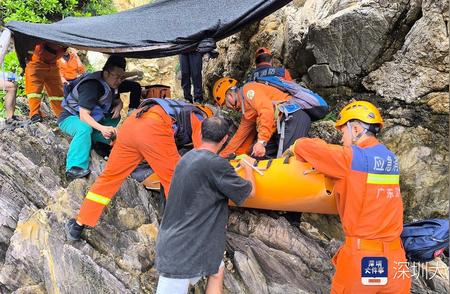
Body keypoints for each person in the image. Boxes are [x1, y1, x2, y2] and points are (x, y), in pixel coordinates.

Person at [289, 101, 411, 293]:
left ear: (355, 129)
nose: (342, 138)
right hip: (396, 259)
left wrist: (294, 145)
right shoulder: (390, 158)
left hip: (364, 258)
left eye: (343, 133)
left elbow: (306, 146)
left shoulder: (350, 158)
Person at [65, 98, 213, 240]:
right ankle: (183, 235)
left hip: (131, 126)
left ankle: (79, 223)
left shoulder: (176, 110)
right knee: (176, 181)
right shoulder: (200, 118)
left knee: (109, 178)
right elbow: (204, 154)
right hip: (153, 129)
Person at [155, 117, 256, 294]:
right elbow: (249, 193)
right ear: (225, 139)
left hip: (176, 238)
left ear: (201, 134)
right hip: (182, 248)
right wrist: (248, 168)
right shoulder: (216, 164)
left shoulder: (187, 157)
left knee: (217, 269)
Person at [59, 55, 126, 180]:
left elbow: (114, 99)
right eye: (117, 77)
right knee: (84, 128)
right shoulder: (92, 86)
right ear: (106, 73)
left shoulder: (110, 84)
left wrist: (119, 105)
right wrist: (102, 128)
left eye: (122, 77)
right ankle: (74, 168)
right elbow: (84, 116)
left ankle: (99, 145)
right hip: (70, 117)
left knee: (113, 120)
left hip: (93, 119)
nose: (120, 81)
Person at [213, 77, 311, 159]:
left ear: (230, 95)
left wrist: (261, 141)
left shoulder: (249, 91)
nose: (228, 108)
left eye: (225, 104)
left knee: (288, 158)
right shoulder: (246, 110)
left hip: (293, 116)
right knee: (255, 154)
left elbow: (266, 111)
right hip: (281, 126)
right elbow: (240, 136)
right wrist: (221, 157)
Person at [25, 42, 67, 122]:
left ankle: (61, 114)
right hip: (36, 62)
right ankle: (34, 114)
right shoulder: (42, 38)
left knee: (57, 92)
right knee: (34, 90)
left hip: (53, 64)